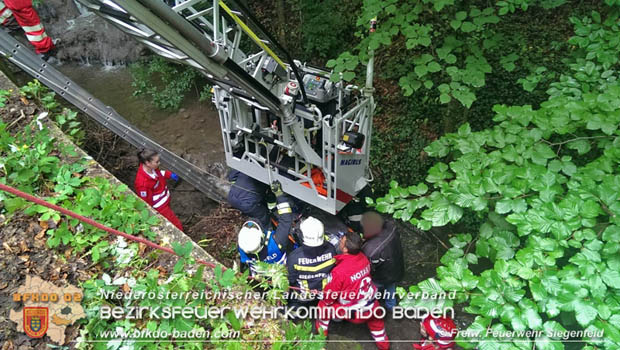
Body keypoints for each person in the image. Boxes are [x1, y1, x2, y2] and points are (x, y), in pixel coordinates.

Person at [315, 231, 390, 350]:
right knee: (377, 326)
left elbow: (330, 297)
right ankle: (384, 346)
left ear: (345, 249)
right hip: (371, 306)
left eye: (341, 241)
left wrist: (320, 294)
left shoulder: (340, 272)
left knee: (323, 306)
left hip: (353, 313)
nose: (339, 242)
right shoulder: (364, 258)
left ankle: (320, 338)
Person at [238, 181, 294, 275]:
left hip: (265, 276)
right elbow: (286, 219)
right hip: (283, 272)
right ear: (263, 238)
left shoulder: (244, 247)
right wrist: (280, 195)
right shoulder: (276, 243)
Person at [287, 216, 336, 310]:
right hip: (324, 293)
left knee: (292, 306)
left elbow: (291, 279)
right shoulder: (331, 249)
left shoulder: (294, 257)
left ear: (301, 236)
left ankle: (294, 315)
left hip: (303, 296)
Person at [361, 211, 404, 310]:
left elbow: (368, 269)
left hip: (382, 276)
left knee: (372, 289)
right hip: (396, 267)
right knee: (391, 287)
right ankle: (391, 306)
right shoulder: (391, 227)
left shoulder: (371, 249)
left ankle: (370, 307)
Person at [134, 149, 183, 231]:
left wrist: (169, 174)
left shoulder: (152, 168)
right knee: (176, 224)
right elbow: (146, 202)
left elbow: (159, 174)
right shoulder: (142, 184)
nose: (159, 163)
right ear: (147, 163)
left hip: (164, 198)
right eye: (157, 162)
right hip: (160, 207)